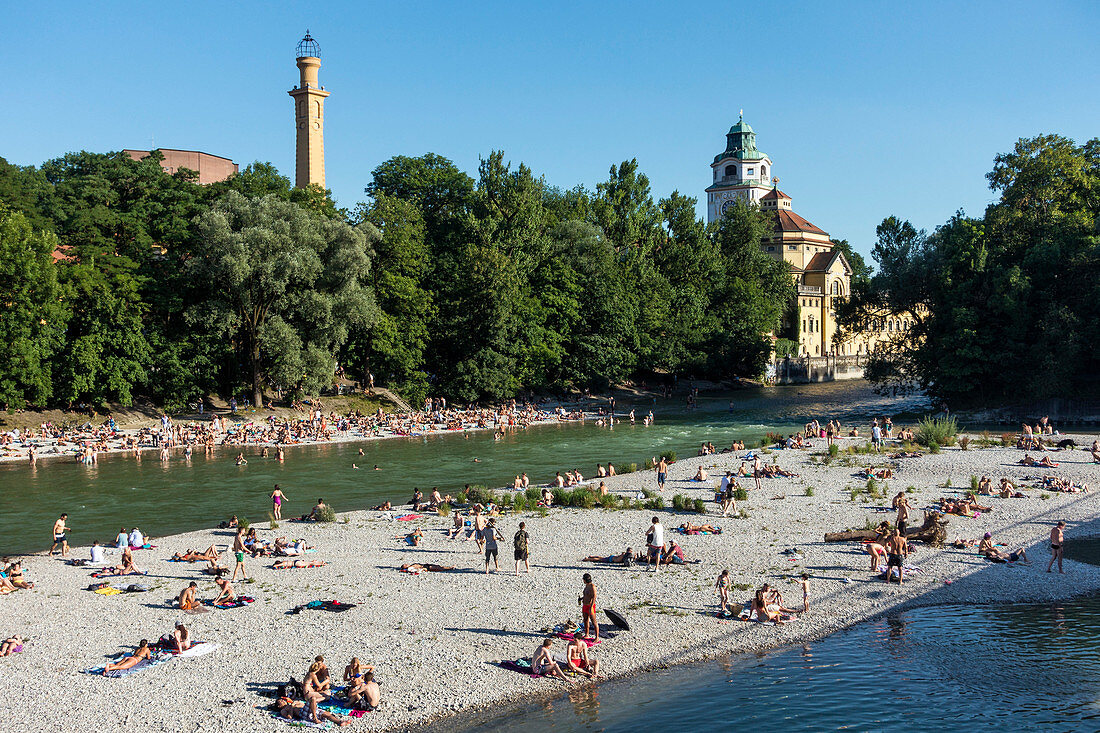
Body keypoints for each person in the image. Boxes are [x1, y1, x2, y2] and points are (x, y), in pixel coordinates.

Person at [579, 573, 599, 641]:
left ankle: (597, 637)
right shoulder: (586, 586)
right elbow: (586, 595)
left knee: (594, 621)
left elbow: (594, 597)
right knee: (585, 620)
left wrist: (591, 607)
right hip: (585, 605)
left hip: (590, 606)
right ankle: (587, 634)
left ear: (585, 580)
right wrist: (581, 598)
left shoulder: (592, 586)